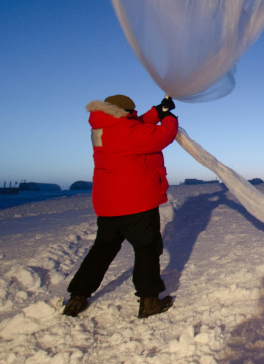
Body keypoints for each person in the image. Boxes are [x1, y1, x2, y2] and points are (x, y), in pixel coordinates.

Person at [62, 94, 178, 319]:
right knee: (147, 249)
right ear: (125, 113)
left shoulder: (102, 129)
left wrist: (156, 112)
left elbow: (134, 127)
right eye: (132, 112)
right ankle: (149, 301)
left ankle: (77, 297)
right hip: (137, 203)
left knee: (102, 250)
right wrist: (169, 118)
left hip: (108, 205)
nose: (133, 116)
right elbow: (163, 136)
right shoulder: (128, 132)